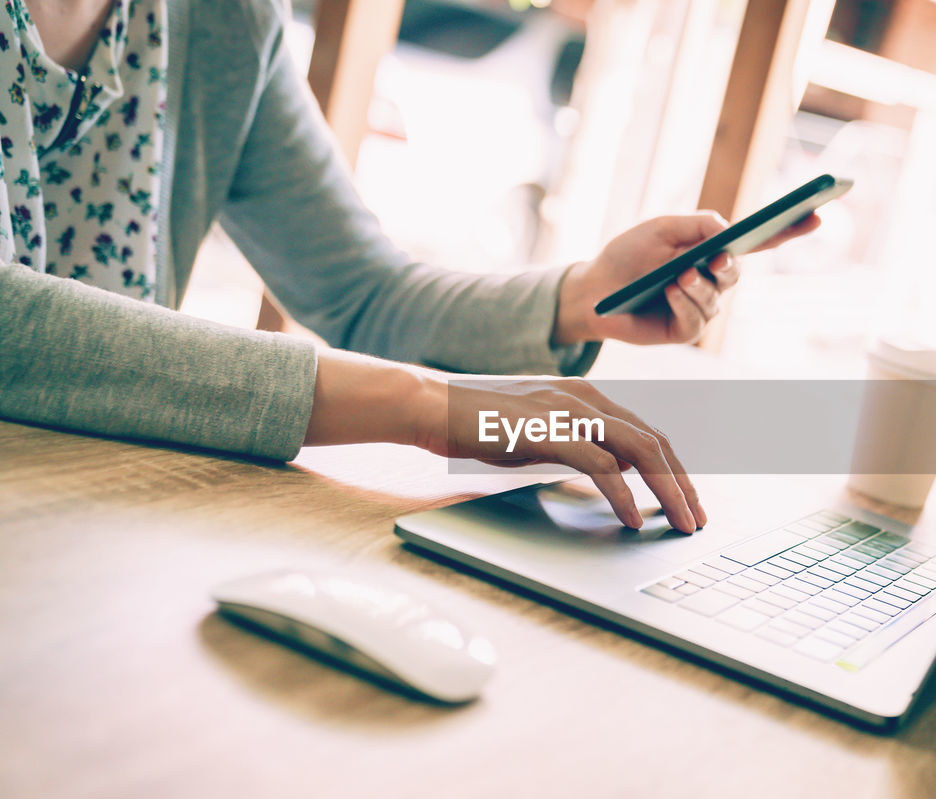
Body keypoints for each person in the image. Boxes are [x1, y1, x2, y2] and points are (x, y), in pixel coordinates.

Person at [0, 0, 818, 533]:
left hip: (90, 520)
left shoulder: (220, 21)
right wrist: (427, 407)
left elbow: (360, 286)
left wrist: (580, 298)